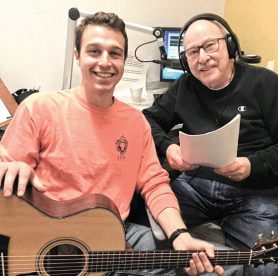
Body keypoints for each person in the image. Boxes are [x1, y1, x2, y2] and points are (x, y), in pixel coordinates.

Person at [0, 11, 230, 276]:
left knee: (218, 264)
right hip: (46, 247)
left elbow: (155, 185)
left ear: (124, 60)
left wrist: (180, 234)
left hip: (115, 238)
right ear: (77, 55)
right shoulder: (39, 109)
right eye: (94, 51)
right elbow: (7, 170)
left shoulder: (136, 123)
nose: (105, 62)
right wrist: (11, 168)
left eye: (115, 53)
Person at [142, 13, 278, 276]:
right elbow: (148, 120)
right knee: (147, 234)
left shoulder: (266, 85)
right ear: (185, 61)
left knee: (266, 266)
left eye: (209, 46)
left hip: (255, 193)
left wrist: (252, 165)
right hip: (193, 187)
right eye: (192, 52)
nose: (202, 58)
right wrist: (169, 148)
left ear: (229, 45)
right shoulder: (185, 87)